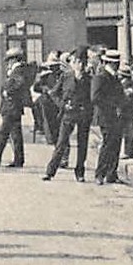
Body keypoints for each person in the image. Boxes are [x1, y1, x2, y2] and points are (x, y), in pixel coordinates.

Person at [43, 49, 94, 182]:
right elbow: (53, 93)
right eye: (78, 62)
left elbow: (93, 97)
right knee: (61, 143)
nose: (81, 65)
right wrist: (62, 105)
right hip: (68, 113)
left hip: (83, 114)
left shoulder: (89, 79)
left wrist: (89, 109)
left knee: (82, 144)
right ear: (73, 63)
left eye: (83, 62)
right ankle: (50, 171)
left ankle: (80, 172)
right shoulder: (66, 76)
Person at [0, 49, 32, 168]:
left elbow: (20, 83)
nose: (8, 63)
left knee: (3, 135)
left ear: (14, 59)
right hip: (13, 107)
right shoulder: (17, 70)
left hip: (11, 107)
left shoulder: (18, 71)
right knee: (15, 135)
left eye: (9, 60)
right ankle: (19, 159)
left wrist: (8, 92)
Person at [90, 50, 128, 184]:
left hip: (117, 116)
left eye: (116, 63)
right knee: (107, 145)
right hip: (106, 116)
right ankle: (99, 174)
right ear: (106, 63)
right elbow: (95, 97)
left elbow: (120, 95)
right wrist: (113, 105)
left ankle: (112, 174)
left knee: (116, 144)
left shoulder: (115, 77)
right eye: (112, 64)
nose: (115, 66)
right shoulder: (100, 77)